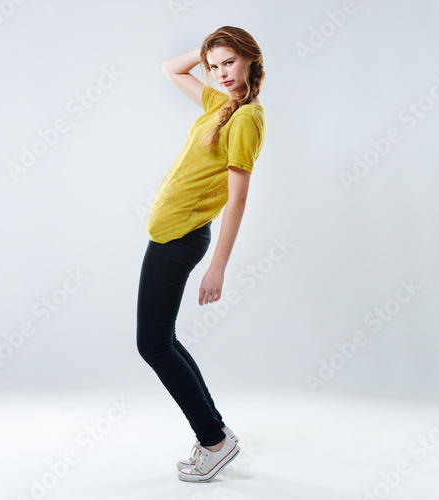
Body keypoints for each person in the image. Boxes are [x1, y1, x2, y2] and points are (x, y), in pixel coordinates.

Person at [136, 25, 266, 482]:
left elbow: (239, 198)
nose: (220, 73)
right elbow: (171, 69)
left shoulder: (246, 118)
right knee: (161, 340)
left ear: (250, 58)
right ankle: (216, 434)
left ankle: (213, 440)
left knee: (152, 343)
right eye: (214, 67)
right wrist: (207, 51)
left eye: (229, 62)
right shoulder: (220, 104)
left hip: (182, 239)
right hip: (170, 234)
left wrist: (219, 268)